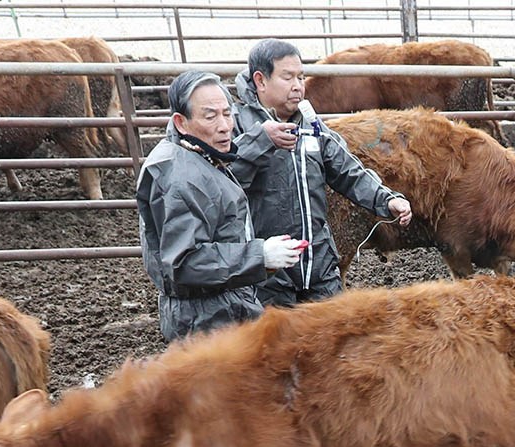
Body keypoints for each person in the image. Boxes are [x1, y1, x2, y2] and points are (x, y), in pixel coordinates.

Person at [232, 39, 413, 307]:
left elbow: (347, 170)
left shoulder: (310, 125)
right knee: (279, 344)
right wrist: (261, 141)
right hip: (269, 272)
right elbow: (226, 178)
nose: (297, 85)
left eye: (301, 77)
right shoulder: (237, 124)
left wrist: (386, 199)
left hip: (319, 263)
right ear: (260, 80)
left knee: (333, 339)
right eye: (287, 77)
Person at [137, 70, 304, 342]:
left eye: (227, 113)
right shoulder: (179, 177)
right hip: (204, 322)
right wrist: (259, 255)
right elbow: (184, 263)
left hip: (222, 307)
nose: (225, 125)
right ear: (181, 123)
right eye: (210, 116)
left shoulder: (199, 155)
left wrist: (262, 138)